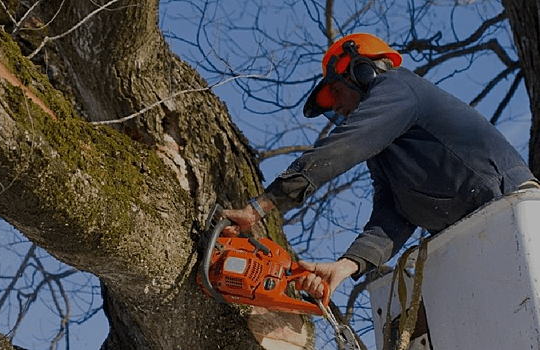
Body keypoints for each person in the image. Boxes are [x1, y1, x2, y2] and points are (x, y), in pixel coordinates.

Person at [221, 33, 538, 299]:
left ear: (362, 72)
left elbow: (345, 145)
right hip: (474, 236)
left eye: (337, 93)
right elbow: (394, 215)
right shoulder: (385, 149)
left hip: (508, 208)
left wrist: (261, 206)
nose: (340, 108)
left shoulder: (399, 87)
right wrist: (345, 266)